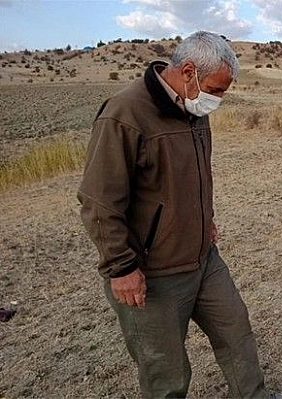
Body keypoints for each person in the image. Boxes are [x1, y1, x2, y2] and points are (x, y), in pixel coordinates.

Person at [78, 31, 267, 398]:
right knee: (166, 372)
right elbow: (99, 201)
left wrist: (204, 218)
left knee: (236, 333)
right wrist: (121, 268)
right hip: (152, 274)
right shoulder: (125, 113)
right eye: (218, 88)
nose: (220, 98)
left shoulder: (194, 105)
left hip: (203, 259)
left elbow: (189, 177)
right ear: (189, 71)